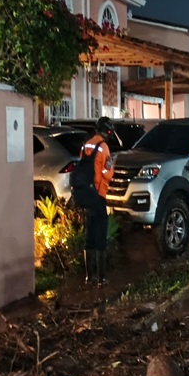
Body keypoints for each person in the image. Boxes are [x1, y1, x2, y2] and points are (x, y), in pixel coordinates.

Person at [76, 117, 115, 285]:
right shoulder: (103, 147)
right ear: (107, 131)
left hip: (86, 195)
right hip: (98, 195)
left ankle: (88, 277)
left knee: (89, 236)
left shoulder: (86, 145)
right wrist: (111, 168)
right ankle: (101, 278)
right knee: (100, 237)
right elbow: (107, 173)